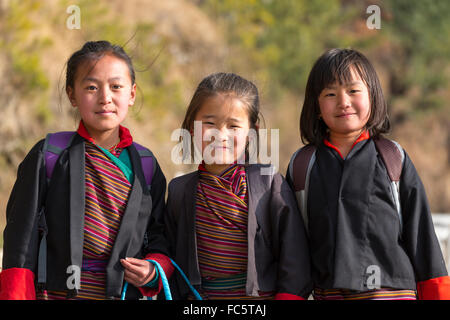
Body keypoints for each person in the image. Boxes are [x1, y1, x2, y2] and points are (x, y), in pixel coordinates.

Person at [0, 40, 173, 300]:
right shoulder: (49, 155)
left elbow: (158, 234)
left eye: (116, 87)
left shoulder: (146, 165)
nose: (105, 98)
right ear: (72, 95)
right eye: (91, 87)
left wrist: (154, 268)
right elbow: (20, 241)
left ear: (132, 94)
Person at [286, 48, 450, 300]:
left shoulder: (393, 157)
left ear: (372, 96)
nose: (343, 102)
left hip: (393, 294)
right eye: (330, 93)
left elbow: (423, 238)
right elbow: (292, 246)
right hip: (329, 294)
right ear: (316, 106)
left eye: (353, 91)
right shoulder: (303, 165)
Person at [165, 72, 312, 300]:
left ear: (252, 133)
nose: (220, 135)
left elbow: (294, 254)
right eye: (209, 123)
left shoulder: (268, 183)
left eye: (233, 126)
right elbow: (172, 261)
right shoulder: (179, 191)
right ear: (192, 128)